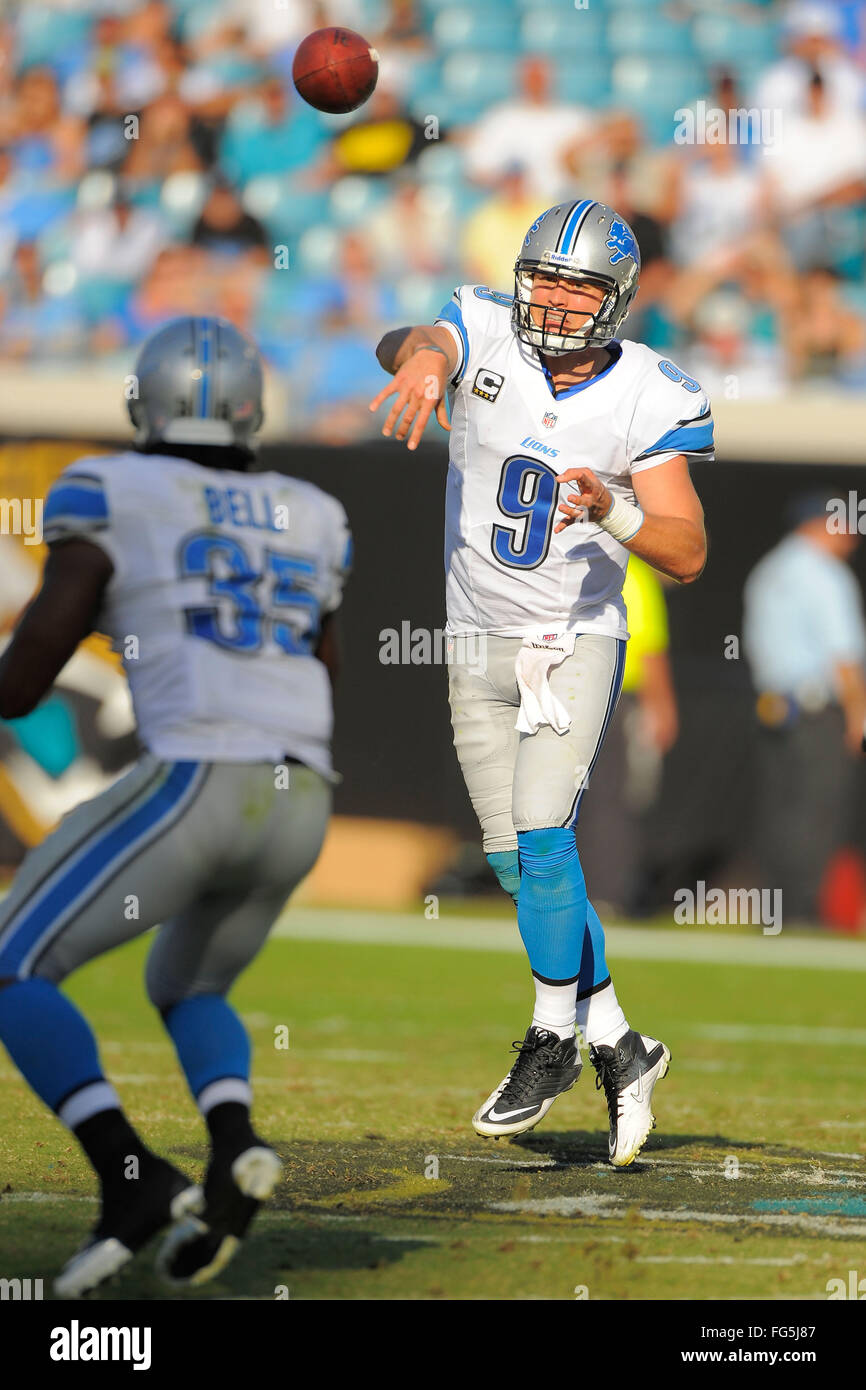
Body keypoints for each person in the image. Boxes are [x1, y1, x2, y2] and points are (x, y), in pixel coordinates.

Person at [0, 316, 352, 1295]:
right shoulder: (310, 510)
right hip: (302, 791)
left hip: (203, 774)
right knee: (190, 985)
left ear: (141, 404)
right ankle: (232, 1143)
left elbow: (31, 668)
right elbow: (322, 664)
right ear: (251, 409)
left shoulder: (112, 487)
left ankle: (131, 1179)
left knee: (11, 962)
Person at [370, 200, 713, 1165]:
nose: (555, 301)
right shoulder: (480, 327)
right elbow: (417, 335)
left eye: (578, 286)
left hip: (571, 644)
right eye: (546, 279)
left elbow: (687, 551)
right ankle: (623, 1046)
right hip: (471, 635)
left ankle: (552, 1036)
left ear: (617, 300)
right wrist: (426, 359)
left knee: (540, 837)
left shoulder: (651, 391)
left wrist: (616, 510)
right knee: (521, 867)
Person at [742, 491, 866, 923]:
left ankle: (775, 912)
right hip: (817, 709)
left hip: (775, 707)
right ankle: (803, 913)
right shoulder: (824, 575)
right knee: (817, 812)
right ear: (819, 525)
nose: (851, 536)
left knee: (779, 810)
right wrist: (858, 717)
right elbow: (843, 656)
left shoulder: (769, 570)